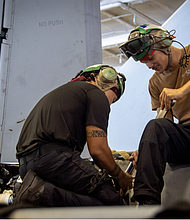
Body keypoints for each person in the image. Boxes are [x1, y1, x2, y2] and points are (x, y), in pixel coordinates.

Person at [14, 64, 133, 207]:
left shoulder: (62, 94)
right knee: (110, 196)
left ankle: (40, 193)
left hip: (26, 167)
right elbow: (98, 150)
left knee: (80, 201)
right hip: (53, 159)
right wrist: (120, 176)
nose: (110, 104)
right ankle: (43, 193)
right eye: (113, 99)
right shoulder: (96, 93)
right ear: (110, 84)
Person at [119, 24, 190, 205]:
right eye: (144, 63)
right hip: (187, 135)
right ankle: (147, 205)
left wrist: (181, 91)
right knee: (155, 128)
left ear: (164, 44)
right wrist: (147, 149)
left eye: (150, 58)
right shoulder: (155, 83)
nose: (149, 65)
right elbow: (164, 125)